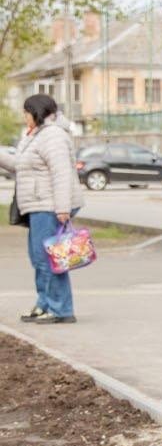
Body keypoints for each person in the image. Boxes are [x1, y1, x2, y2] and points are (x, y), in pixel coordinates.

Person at [1, 94, 84, 325]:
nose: (24, 116)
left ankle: (60, 309)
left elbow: (61, 173)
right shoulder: (36, 135)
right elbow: (19, 165)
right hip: (39, 204)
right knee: (39, 258)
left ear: (37, 112)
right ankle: (44, 304)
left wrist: (62, 208)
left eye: (26, 112)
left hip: (50, 205)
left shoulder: (53, 135)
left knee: (49, 259)